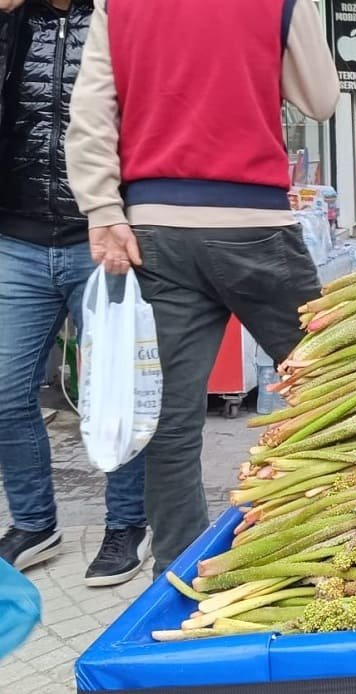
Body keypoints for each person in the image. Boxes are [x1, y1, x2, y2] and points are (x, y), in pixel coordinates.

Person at [65, 0, 339, 574]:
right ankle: (336, 542)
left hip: (154, 228)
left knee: (171, 421)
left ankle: (181, 572)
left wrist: (102, 210)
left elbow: (90, 114)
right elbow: (320, 99)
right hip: (254, 226)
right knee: (332, 388)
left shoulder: (118, 5)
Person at [0, 0, 148, 586]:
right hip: (16, 236)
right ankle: (35, 522)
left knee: (113, 391)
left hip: (103, 236)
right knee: (7, 392)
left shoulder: (120, 15)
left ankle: (127, 525)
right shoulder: (13, 20)